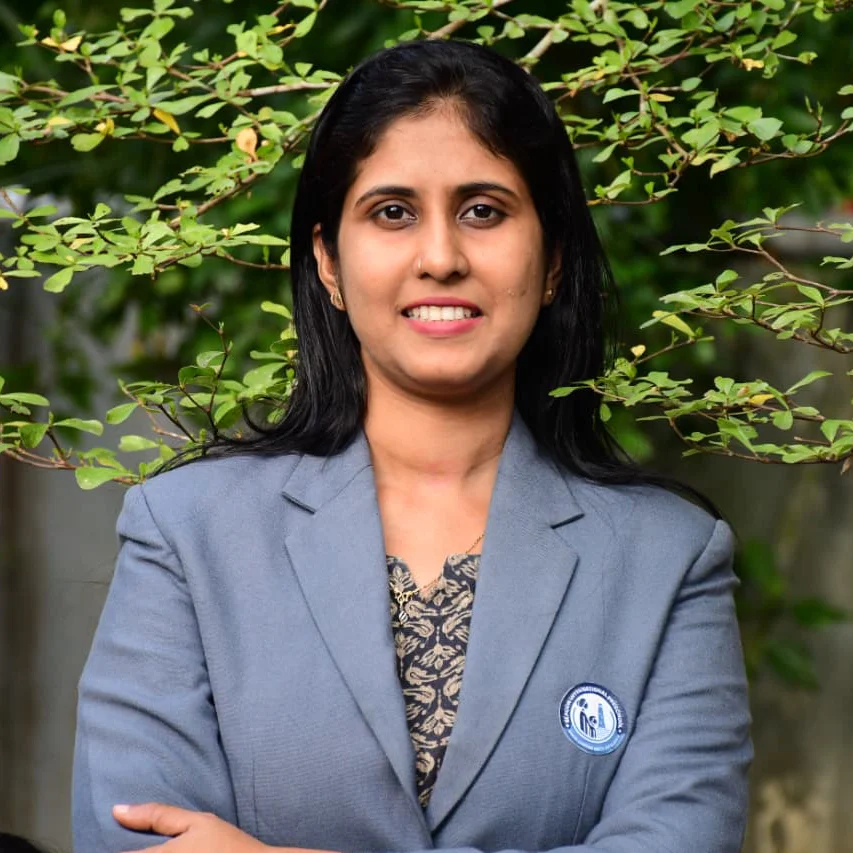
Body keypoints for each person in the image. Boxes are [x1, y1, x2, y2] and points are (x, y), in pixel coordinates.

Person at [72, 39, 752, 853]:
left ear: (552, 261)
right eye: (392, 212)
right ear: (328, 261)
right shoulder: (187, 532)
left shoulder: (666, 558)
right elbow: (132, 840)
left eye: (483, 210)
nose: (440, 258)